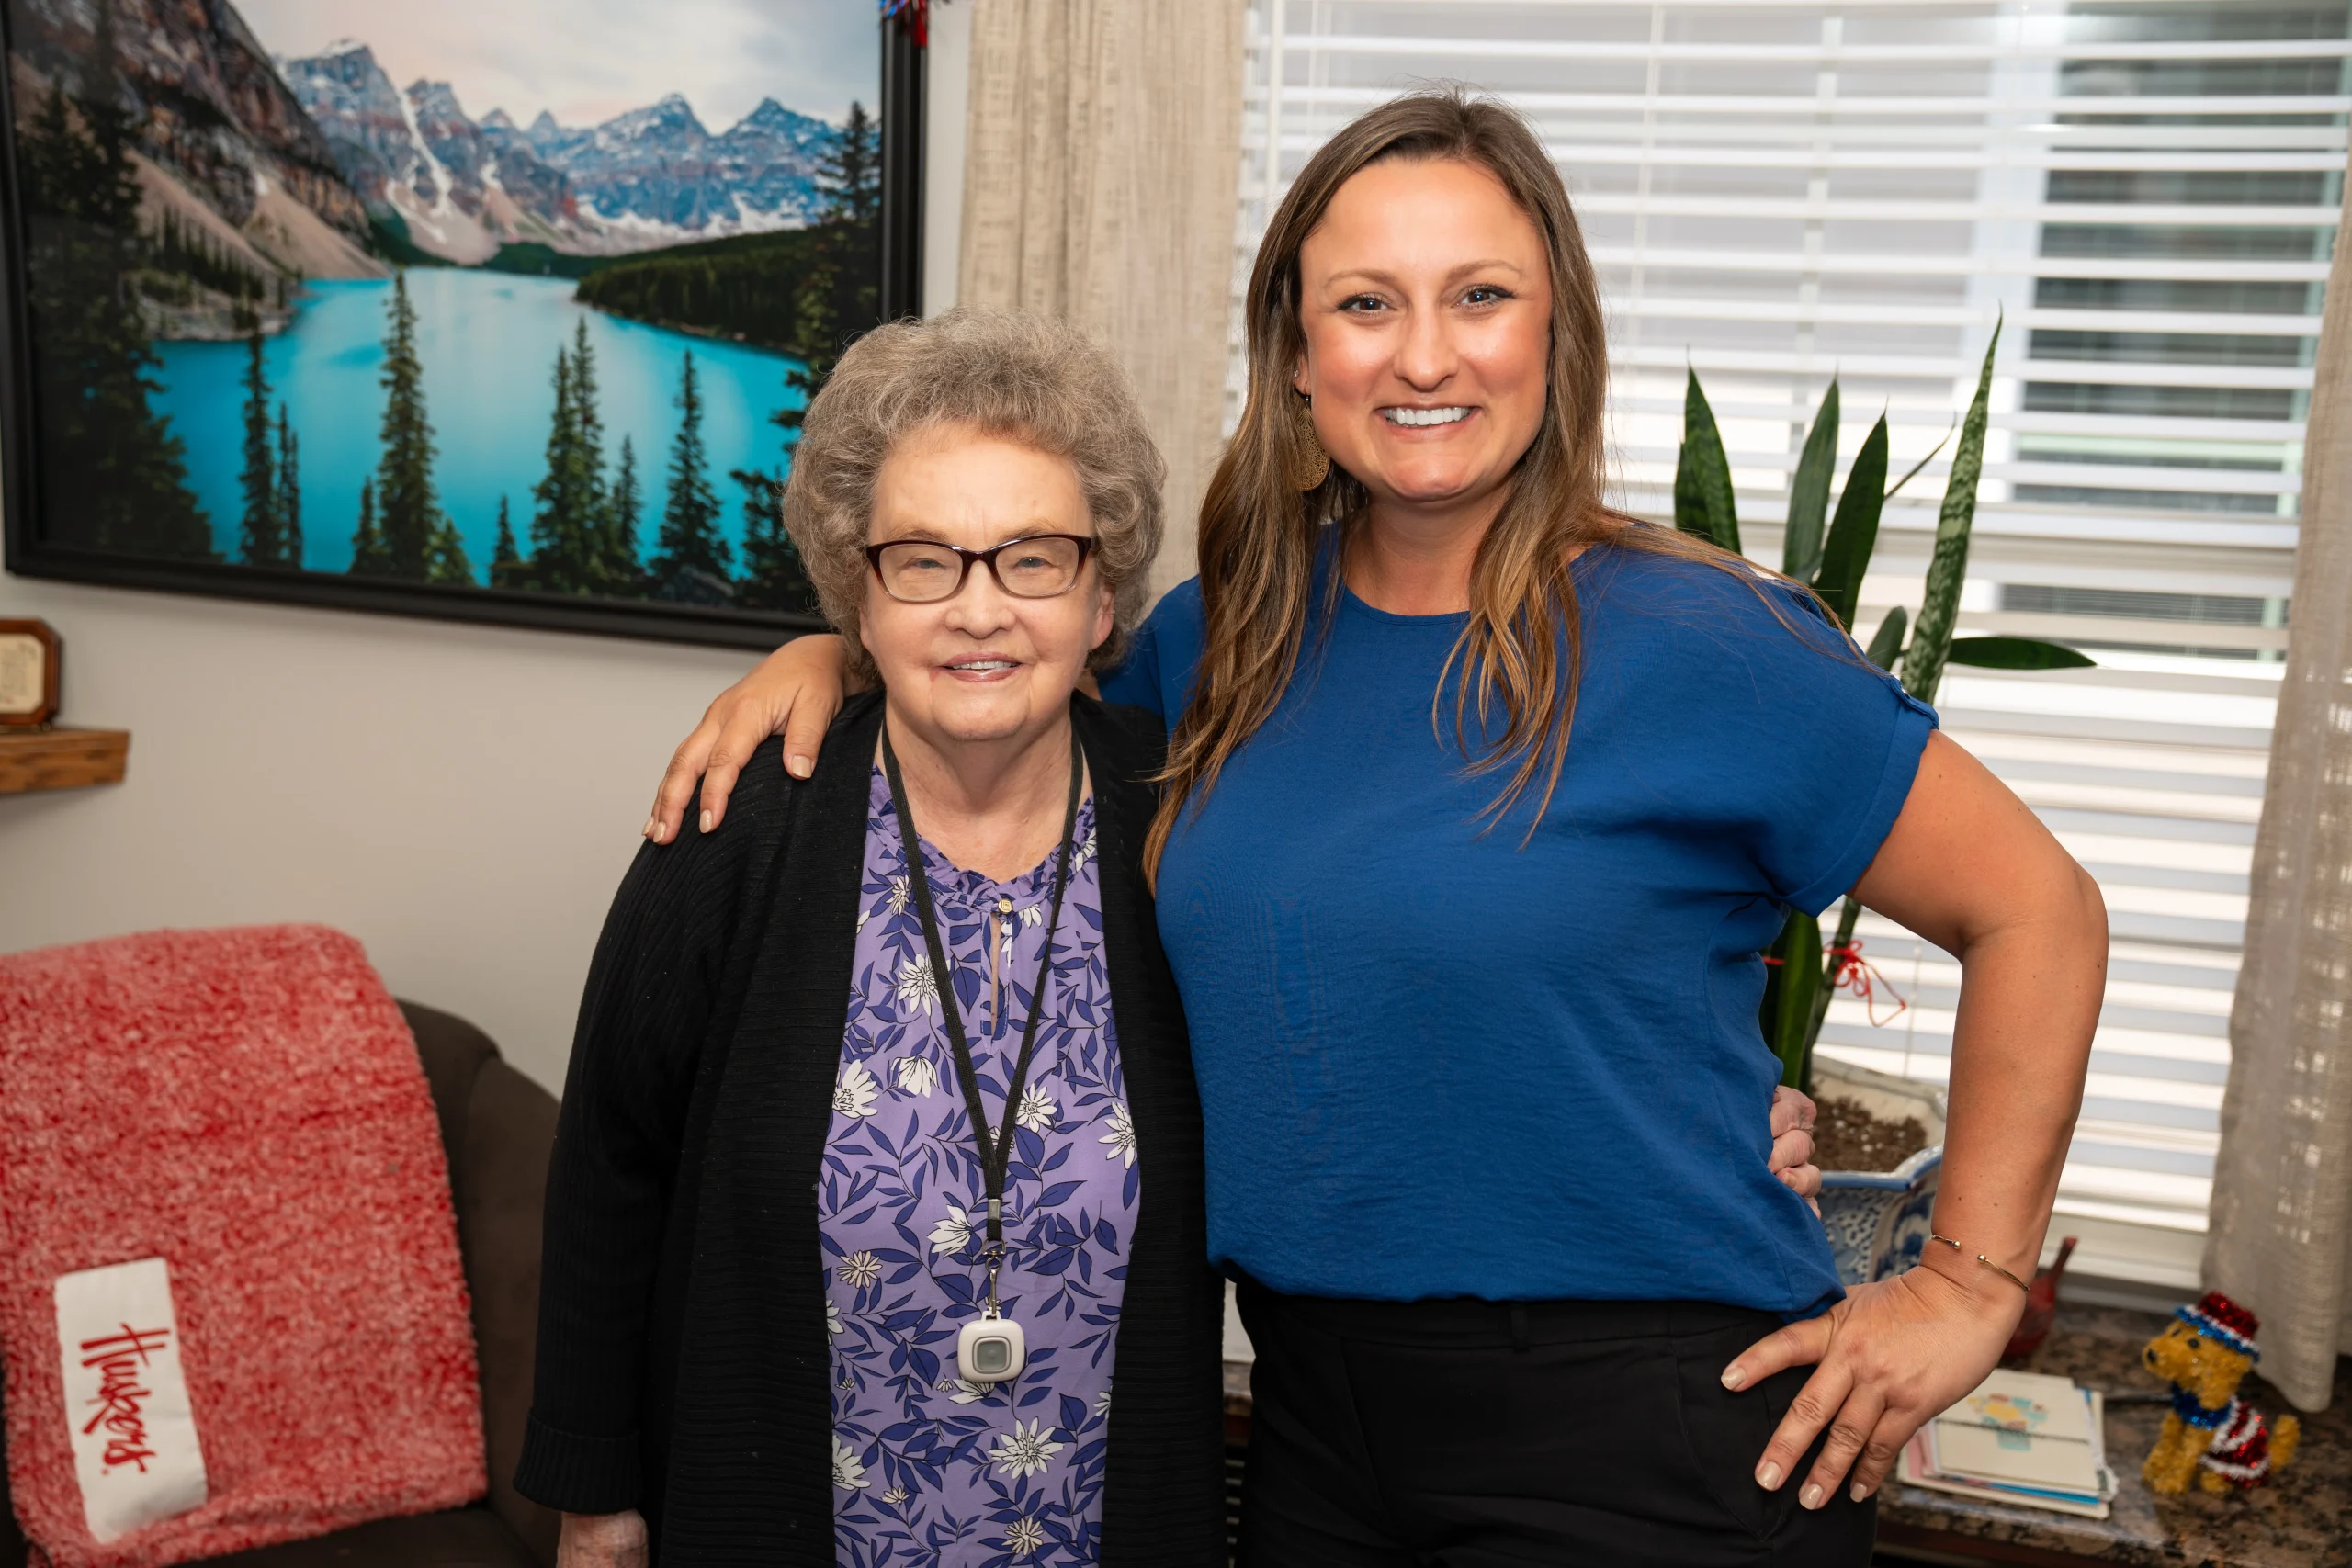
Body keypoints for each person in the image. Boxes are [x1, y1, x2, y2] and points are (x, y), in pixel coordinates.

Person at [639, 93, 2106, 1566]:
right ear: (1297, 355)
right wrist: (826, 651)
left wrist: (1968, 1283)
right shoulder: (1218, 641)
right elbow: (997, 659)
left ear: (1557, 332)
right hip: (1310, 1430)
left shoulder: (1708, 642)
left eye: (1481, 296)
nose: (1423, 354)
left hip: (1653, 1433)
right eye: (1365, 302)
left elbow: (2038, 908)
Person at [514, 310, 1228, 1568]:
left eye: (1033, 558)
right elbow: (609, 1162)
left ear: (1104, 589)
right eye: (925, 561)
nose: (979, 610)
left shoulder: (1186, 835)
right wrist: (595, 1495)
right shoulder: (741, 822)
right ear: (859, 591)